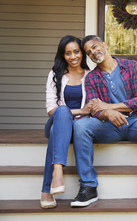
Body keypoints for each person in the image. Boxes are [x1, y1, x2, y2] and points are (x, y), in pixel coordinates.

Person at [70, 35, 137, 208]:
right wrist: (106, 112)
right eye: (89, 52)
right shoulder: (92, 78)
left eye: (95, 47)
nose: (93, 52)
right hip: (107, 127)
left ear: (104, 45)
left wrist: (109, 107)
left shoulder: (131, 66)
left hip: (135, 122)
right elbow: (94, 108)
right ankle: (88, 186)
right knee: (80, 125)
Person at [40, 35, 91, 209]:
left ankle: (47, 189)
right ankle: (58, 172)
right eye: (68, 53)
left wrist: (83, 114)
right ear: (63, 56)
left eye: (76, 51)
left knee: (57, 133)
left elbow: (93, 108)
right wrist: (80, 111)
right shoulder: (55, 75)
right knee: (61, 111)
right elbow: (51, 109)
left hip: (78, 126)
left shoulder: (90, 76)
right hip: (57, 120)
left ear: (82, 53)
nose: (73, 56)